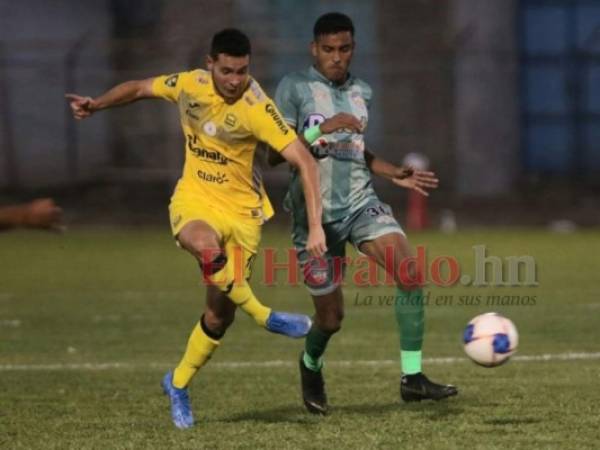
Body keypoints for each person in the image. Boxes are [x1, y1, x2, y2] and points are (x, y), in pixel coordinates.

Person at [66, 28, 362, 429]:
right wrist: (96, 104)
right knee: (208, 250)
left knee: (218, 317)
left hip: (242, 216)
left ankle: (177, 382)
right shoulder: (190, 85)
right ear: (210, 65)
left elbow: (304, 162)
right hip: (195, 201)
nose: (235, 81)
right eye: (227, 71)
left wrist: (315, 228)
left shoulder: (258, 106)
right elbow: (138, 88)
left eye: (242, 71)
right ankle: (265, 316)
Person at [271, 13, 457, 415]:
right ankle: (310, 364)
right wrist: (321, 129)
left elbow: (355, 150)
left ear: (353, 49)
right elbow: (272, 154)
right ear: (313, 49)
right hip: (314, 219)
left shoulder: (361, 91)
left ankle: (412, 378)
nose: (337, 58)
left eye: (344, 49)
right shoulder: (293, 88)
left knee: (409, 272)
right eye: (328, 50)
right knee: (332, 318)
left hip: (360, 204)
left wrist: (394, 172)